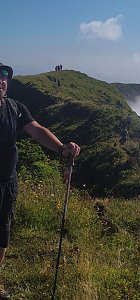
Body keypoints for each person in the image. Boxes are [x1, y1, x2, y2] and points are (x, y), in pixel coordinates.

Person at [0, 63, 80, 299]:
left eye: (4, 77)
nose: (1, 81)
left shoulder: (15, 108)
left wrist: (62, 148)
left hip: (8, 181)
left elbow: (37, 129)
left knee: (3, 232)